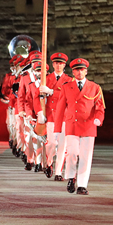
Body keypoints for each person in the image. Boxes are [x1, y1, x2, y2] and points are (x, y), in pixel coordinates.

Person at [54, 58, 105, 195]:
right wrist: (57, 130)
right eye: (76, 70)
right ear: (73, 72)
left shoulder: (95, 87)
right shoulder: (66, 87)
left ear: (86, 71)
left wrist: (98, 119)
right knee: (71, 153)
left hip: (88, 125)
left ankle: (82, 185)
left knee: (85, 157)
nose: (79, 72)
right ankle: (71, 177)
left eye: (81, 69)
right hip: (72, 125)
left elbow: (100, 108)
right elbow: (59, 111)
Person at [39, 52, 71, 180]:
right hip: (51, 115)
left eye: (61, 63)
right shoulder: (46, 78)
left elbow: (67, 96)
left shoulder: (69, 80)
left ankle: (58, 172)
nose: (59, 65)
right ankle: (49, 162)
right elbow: (38, 95)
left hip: (63, 116)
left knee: (62, 145)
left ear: (64, 65)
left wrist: (52, 91)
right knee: (51, 143)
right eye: (57, 63)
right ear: (53, 64)